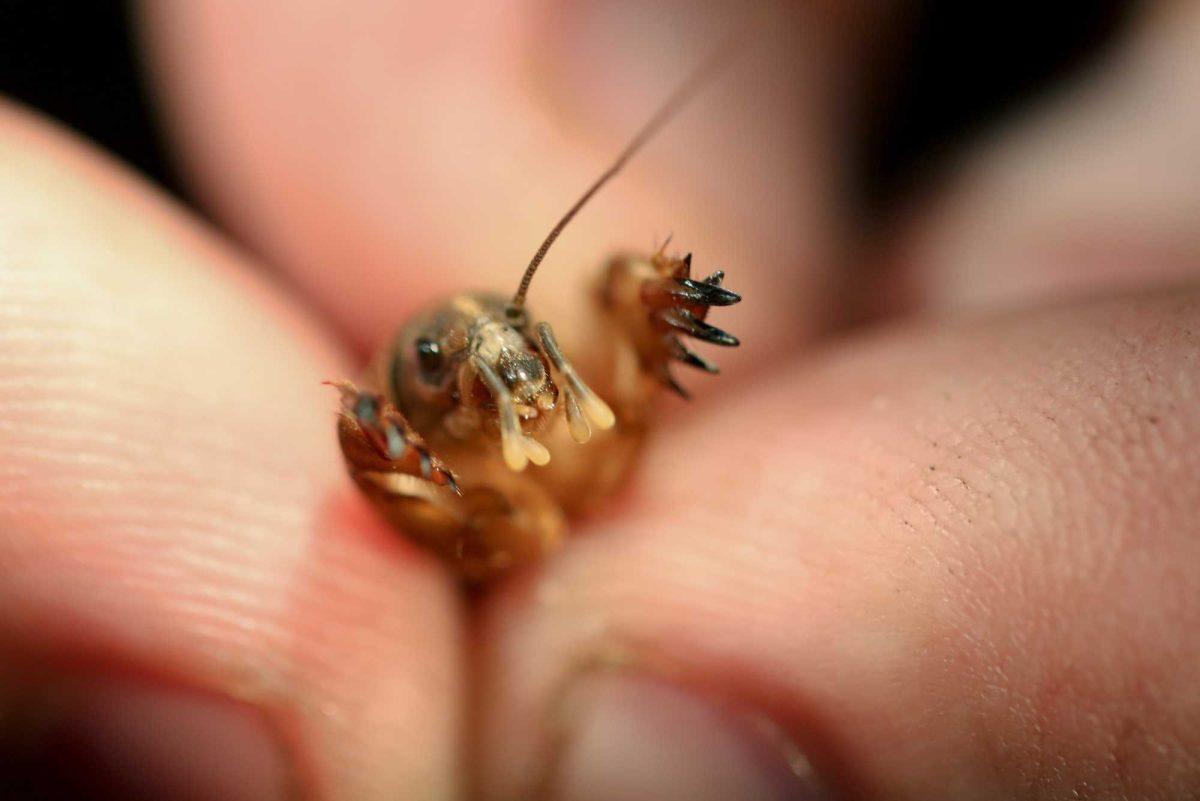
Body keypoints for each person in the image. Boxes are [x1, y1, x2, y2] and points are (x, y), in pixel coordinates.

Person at [1, 2, 1197, 799]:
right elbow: (421, 495)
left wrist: (657, 302)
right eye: (467, 377)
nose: (513, 383)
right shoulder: (438, 481)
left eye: (517, 357)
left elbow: (623, 320)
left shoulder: (579, 393)